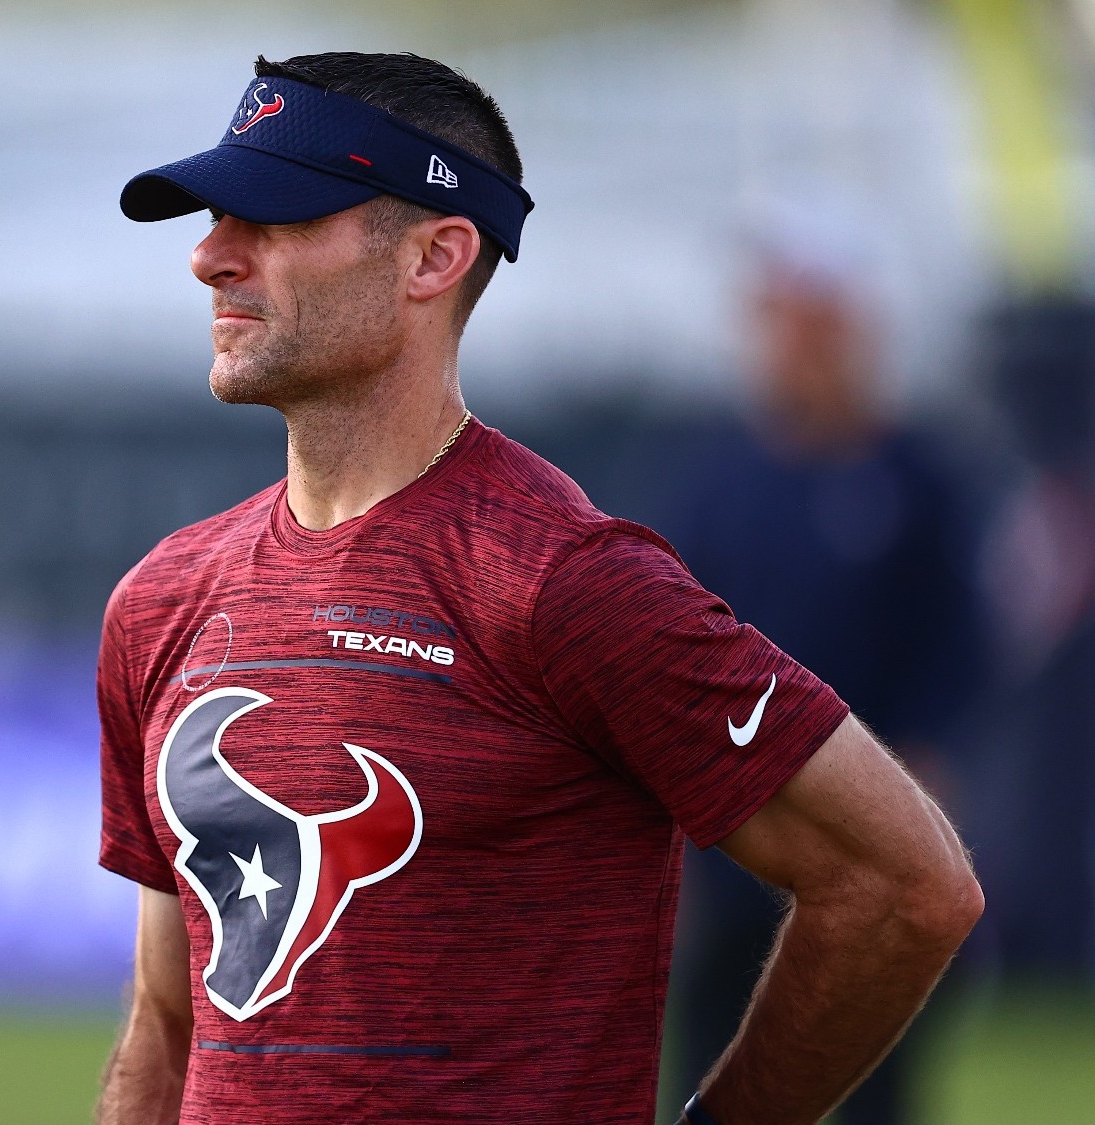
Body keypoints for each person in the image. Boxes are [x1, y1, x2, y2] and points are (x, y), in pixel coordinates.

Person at [92, 52, 982, 1125]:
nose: (207, 258)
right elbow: (165, 1015)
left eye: (271, 219)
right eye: (212, 218)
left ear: (434, 254)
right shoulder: (161, 598)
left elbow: (903, 889)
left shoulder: (560, 581)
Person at [662, 208, 984, 1125]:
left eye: (794, 307)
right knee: (717, 1058)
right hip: (739, 828)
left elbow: (958, 643)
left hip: (873, 818)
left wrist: (926, 763)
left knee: (866, 1070)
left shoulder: (921, 477)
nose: (772, 332)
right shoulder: (720, 478)